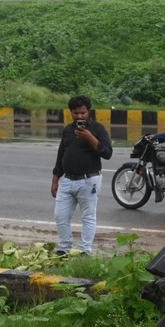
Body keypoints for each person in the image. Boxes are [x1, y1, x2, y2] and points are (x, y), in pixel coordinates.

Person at [51, 95, 113, 256]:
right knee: (60, 216)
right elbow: (61, 154)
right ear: (70, 112)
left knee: (88, 216)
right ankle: (64, 248)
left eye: (83, 113)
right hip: (67, 180)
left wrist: (90, 137)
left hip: (89, 181)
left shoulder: (98, 129)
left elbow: (107, 153)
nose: (79, 116)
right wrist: (55, 179)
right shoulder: (68, 130)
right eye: (75, 113)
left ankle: (85, 250)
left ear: (89, 112)